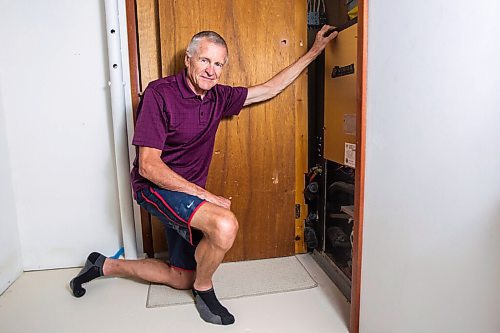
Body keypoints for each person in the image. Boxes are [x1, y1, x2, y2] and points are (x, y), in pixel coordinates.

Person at [70, 25, 338, 325]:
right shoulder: (160, 94)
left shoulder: (218, 97)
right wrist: (203, 194)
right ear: (188, 59)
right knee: (224, 226)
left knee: (180, 277)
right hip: (153, 188)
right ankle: (204, 288)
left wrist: (315, 51)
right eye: (205, 61)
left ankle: (103, 265)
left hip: (185, 194)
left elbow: (270, 88)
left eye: (219, 64)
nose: (212, 70)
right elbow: (148, 166)